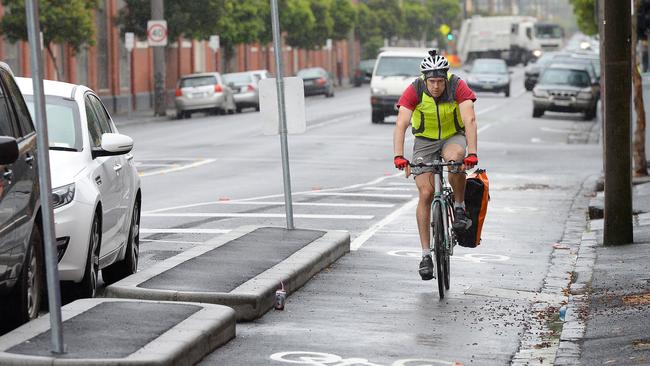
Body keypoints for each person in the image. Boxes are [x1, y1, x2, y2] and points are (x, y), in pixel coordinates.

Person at [392, 50, 478, 281]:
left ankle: (459, 206)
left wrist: (472, 153)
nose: (437, 86)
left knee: (455, 159)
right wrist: (399, 156)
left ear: (445, 78)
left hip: (452, 136)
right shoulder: (415, 89)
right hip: (424, 141)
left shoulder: (457, 86)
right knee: (426, 193)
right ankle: (425, 256)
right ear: (425, 79)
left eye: (440, 81)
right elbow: (401, 123)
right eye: (432, 81)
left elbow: (469, 118)